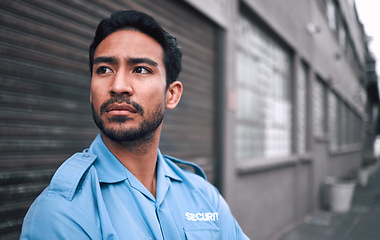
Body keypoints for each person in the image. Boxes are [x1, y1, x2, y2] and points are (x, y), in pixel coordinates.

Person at [20, 10, 249, 239]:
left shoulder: (203, 195)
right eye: (104, 70)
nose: (118, 85)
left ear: (171, 94)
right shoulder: (62, 211)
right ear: (90, 91)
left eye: (140, 69)